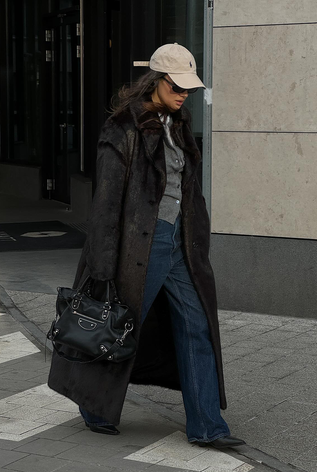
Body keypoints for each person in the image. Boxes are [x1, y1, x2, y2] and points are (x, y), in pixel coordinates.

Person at [48, 43, 245, 449]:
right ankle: (94, 405)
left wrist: (199, 239)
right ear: (155, 81)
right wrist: (102, 269)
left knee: (197, 328)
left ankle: (207, 426)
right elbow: (105, 205)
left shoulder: (179, 124)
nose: (183, 94)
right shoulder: (123, 129)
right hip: (140, 247)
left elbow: (188, 192)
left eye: (188, 89)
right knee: (117, 325)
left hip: (180, 247)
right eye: (177, 86)